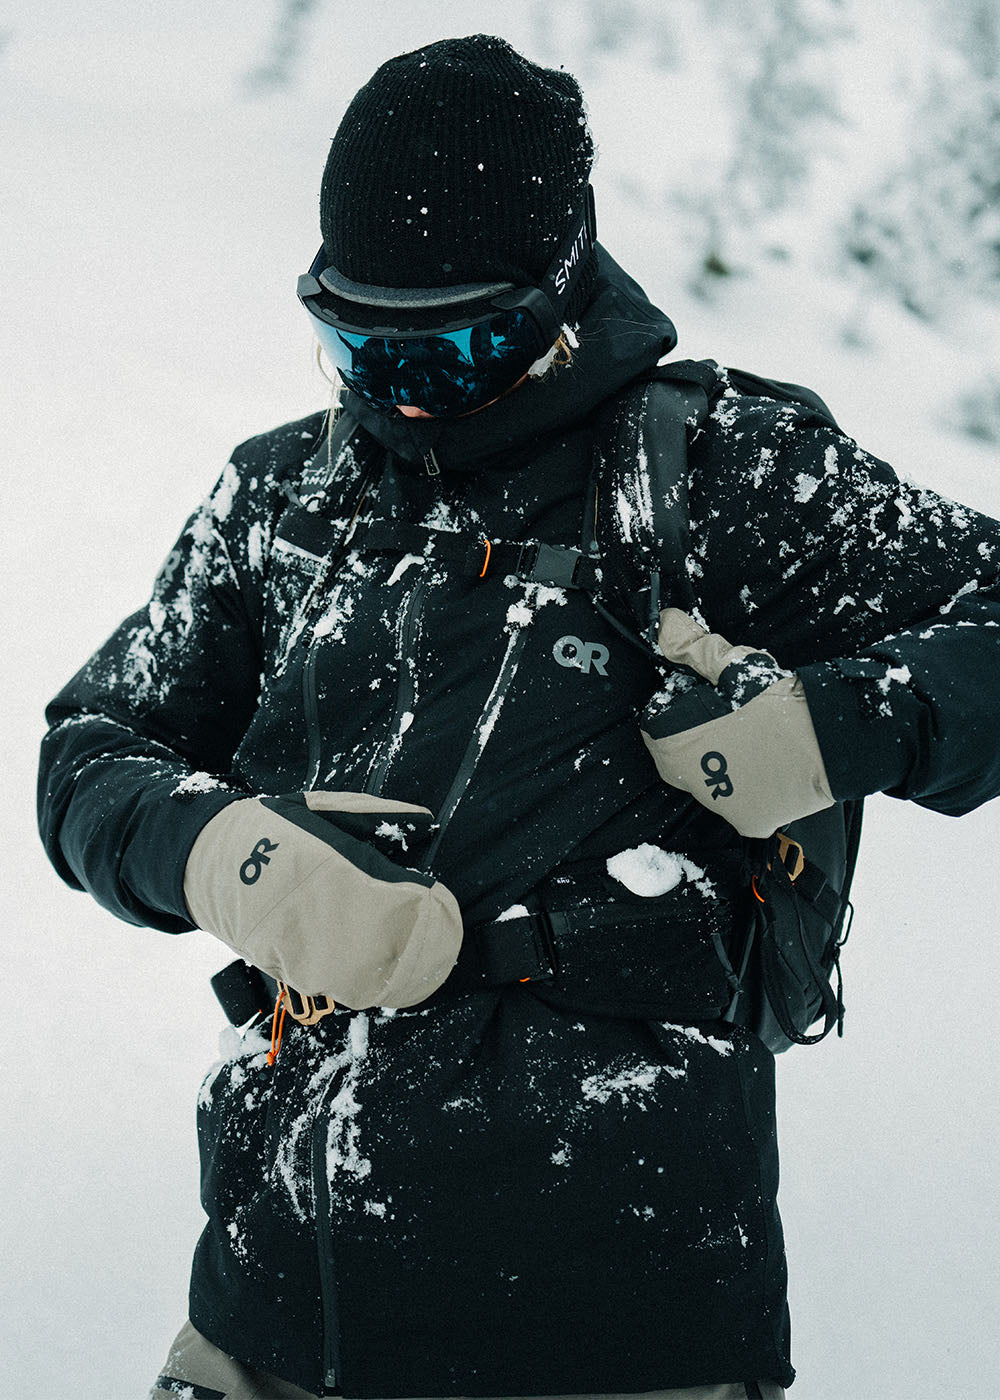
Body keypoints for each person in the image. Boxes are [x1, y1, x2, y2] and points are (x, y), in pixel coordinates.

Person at [36, 34, 1000, 1400]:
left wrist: (833, 727)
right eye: (358, 344)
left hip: (629, 1315)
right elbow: (90, 752)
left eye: (456, 349)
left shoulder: (724, 475)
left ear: (563, 288)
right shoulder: (282, 501)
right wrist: (215, 855)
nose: (398, 394)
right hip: (277, 1307)